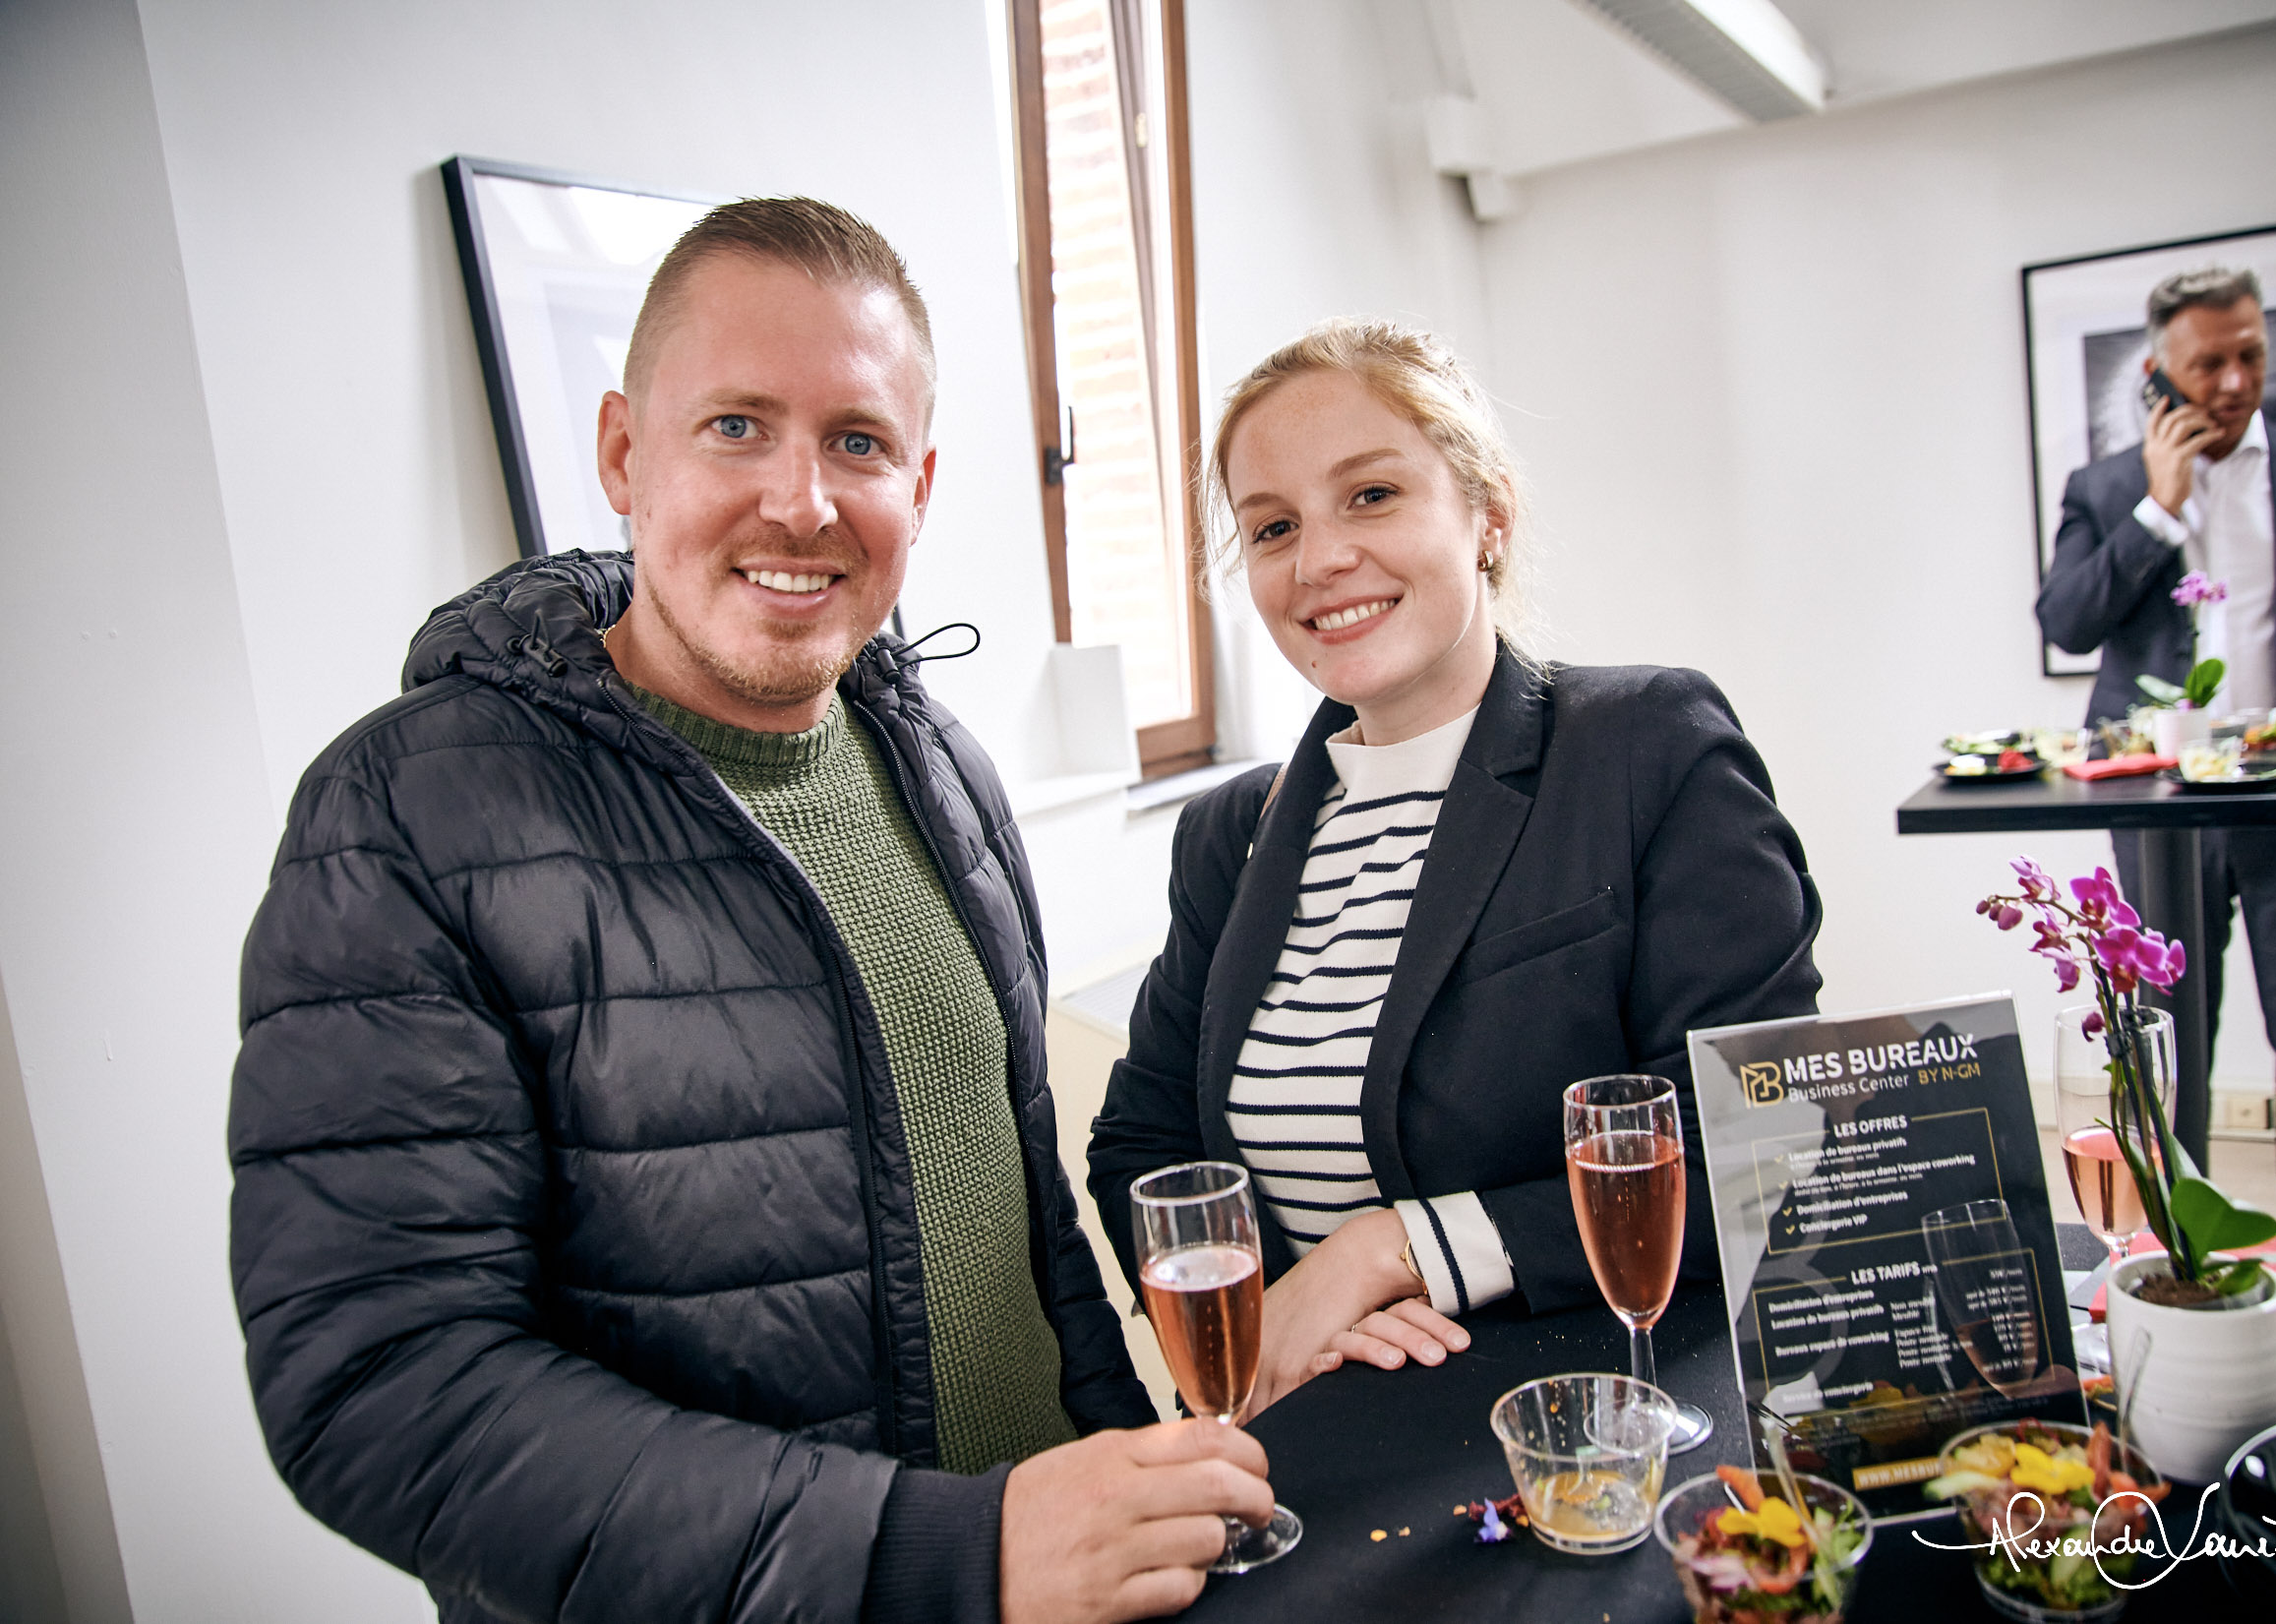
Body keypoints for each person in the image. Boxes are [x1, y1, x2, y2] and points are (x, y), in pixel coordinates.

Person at [229, 198, 1272, 1624]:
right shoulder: (405, 815)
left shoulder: (942, 767)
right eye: (735, 426)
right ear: (619, 452)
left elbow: (1018, 1229)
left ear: (919, 480)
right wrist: (940, 1554)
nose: (802, 501)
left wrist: (1110, 1458)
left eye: (856, 441)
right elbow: (379, 1383)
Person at [1085, 321, 1824, 1413]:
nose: (1320, 557)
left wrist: (1390, 1251)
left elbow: (1762, 1145)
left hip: (1609, 1410)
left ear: (1486, 513)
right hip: (1328, 1427)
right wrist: (1258, 1329)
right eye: (1273, 526)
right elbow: (1141, 1144)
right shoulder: (1228, 834)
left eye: (1371, 495)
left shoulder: (1644, 747)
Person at [2036, 266, 2276, 1243]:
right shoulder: (2104, 486)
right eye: (2206, 361)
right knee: (2164, 1045)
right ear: (2157, 369)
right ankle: (2176, 1243)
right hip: (2158, 810)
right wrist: (2155, 511)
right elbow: (2067, 620)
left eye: (2248, 354)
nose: (2229, 379)